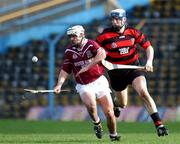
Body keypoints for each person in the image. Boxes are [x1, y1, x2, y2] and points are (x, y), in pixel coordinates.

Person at [96, 9, 168, 137]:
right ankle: (115, 104)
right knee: (122, 104)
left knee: (143, 92)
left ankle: (159, 125)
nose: (114, 21)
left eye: (117, 19)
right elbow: (96, 53)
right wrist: (100, 60)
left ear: (124, 19)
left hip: (133, 69)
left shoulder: (133, 32)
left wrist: (149, 62)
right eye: (113, 19)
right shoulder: (104, 36)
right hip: (116, 73)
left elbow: (148, 47)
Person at [54, 25, 120, 141]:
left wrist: (87, 67)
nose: (72, 39)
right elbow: (65, 70)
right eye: (70, 36)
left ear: (82, 34)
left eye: (74, 36)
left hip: (99, 81)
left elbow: (102, 54)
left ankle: (113, 135)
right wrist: (59, 84)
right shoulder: (69, 51)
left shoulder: (91, 44)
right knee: (91, 105)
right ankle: (97, 124)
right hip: (84, 85)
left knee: (109, 113)